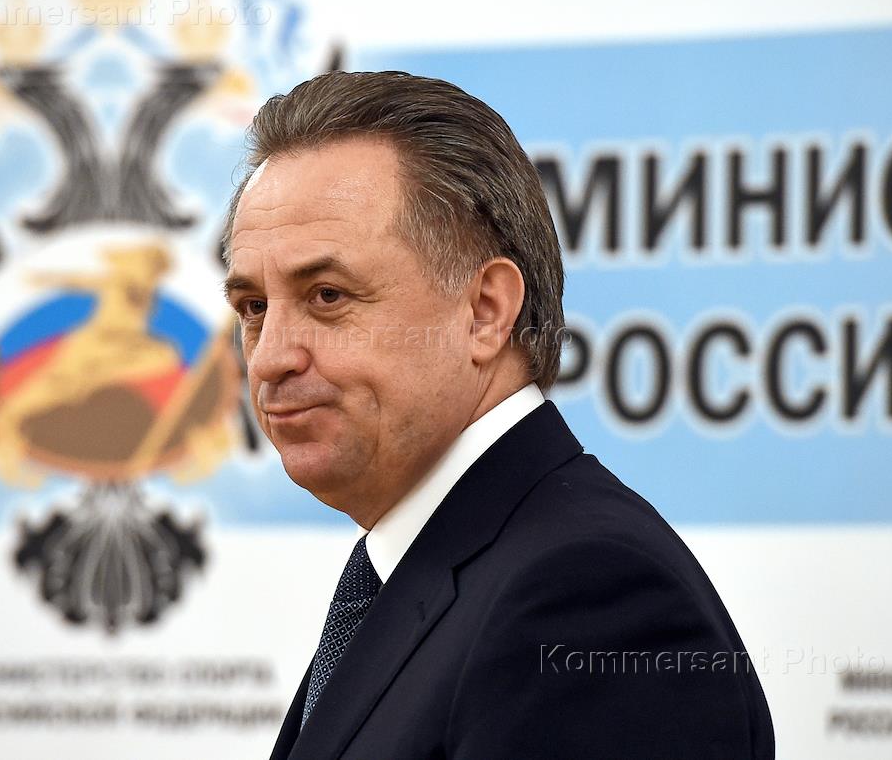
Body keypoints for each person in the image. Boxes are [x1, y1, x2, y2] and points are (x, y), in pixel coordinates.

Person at [221, 70, 775, 759]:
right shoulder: (426, 570)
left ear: (485, 312)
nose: (271, 358)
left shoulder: (586, 598)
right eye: (253, 307)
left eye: (328, 296)